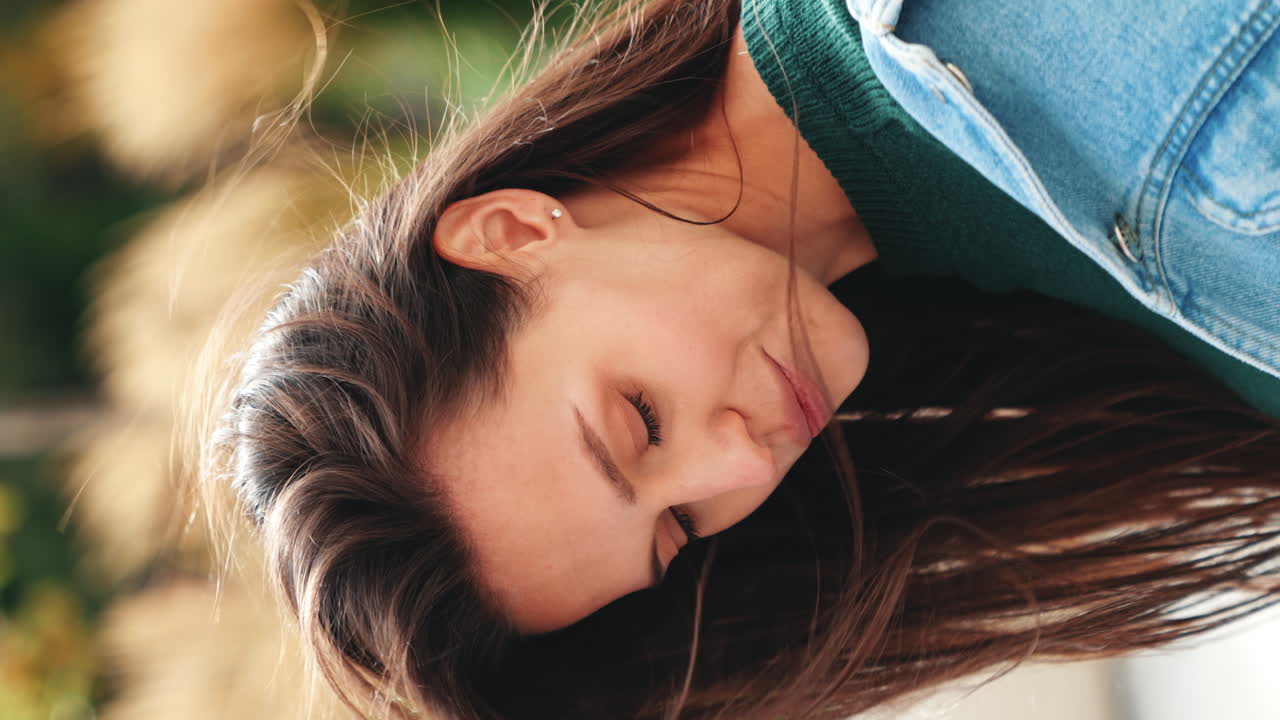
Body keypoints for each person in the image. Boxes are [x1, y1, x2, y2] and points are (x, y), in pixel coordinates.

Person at [211, 0, 1280, 718]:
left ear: (513, 232)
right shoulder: (1002, 342)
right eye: (676, 528)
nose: (743, 466)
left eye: (639, 420)